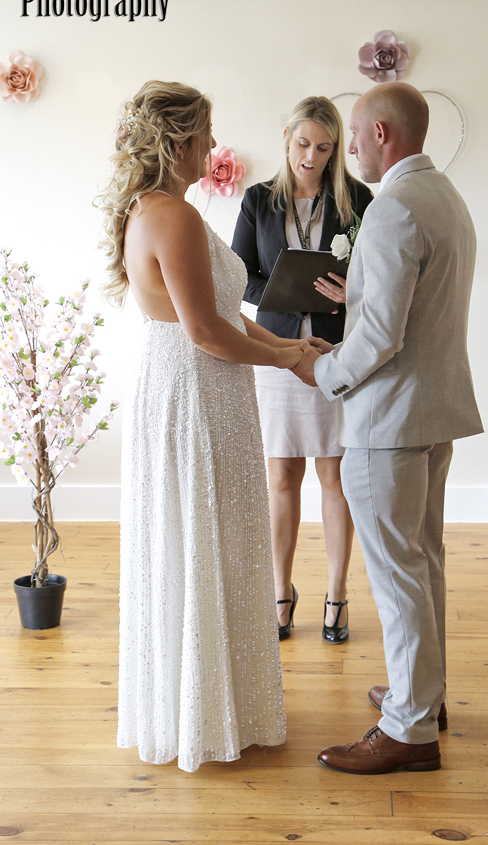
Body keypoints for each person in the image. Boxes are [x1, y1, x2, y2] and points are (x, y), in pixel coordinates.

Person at [98, 80, 308, 772]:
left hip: (193, 384)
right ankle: (208, 712)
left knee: (204, 535)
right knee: (207, 534)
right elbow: (207, 332)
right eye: (205, 134)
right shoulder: (174, 216)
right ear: (177, 141)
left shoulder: (156, 209)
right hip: (195, 389)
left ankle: (206, 705)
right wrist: (287, 360)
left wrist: (288, 348)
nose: (214, 145)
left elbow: (223, 315)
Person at [293, 82, 483, 774]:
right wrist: (362, 291)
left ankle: (407, 730)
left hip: (389, 422)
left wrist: (321, 370)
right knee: (422, 560)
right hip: (433, 412)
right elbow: (416, 304)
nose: (348, 149)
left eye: (354, 134)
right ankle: (422, 698)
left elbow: (378, 339)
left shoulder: (392, 207)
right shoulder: (444, 197)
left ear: (380, 133)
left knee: (399, 573)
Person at [232, 96, 372, 644]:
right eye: (303, 144)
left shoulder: (358, 200)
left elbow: (377, 275)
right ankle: (280, 593)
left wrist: (350, 290)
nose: (311, 157)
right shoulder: (257, 201)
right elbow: (240, 276)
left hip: (337, 352)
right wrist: (285, 290)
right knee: (282, 476)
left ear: (336, 150)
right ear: (287, 139)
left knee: (335, 477)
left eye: (324, 147)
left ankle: (337, 593)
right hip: (278, 351)